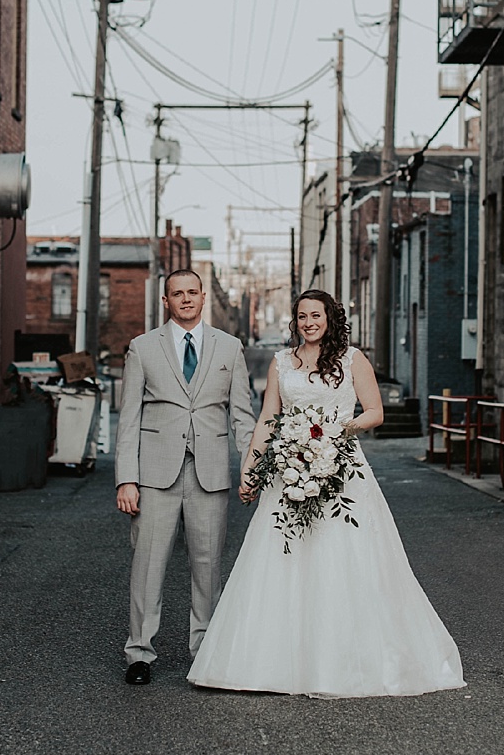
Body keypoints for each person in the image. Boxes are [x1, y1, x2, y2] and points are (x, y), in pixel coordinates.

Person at [188, 290, 465, 697]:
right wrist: (250, 466)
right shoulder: (283, 363)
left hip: (342, 467)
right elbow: (268, 417)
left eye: (316, 315)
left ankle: (342, 659)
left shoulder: (353, 359)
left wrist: (334, 433)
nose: (308, 323)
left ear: (331, 318)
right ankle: (271, 663)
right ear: (295, 322)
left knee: (345, 556)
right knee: (284, 555)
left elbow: (374, 411)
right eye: (301, 317)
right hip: (290, 466)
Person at [113, 269, 258, 685]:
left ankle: (205, 650)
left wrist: (250, 468)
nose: (186, 299)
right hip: (155, 473)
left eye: (193, 292)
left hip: (210, 473)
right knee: (148, 565)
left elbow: (242, 416)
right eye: (178, 294)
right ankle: (139, 653)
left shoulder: (229, 348)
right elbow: (129, 419)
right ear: (166, 301)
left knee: (208, 565)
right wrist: (126, 479)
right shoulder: (143, 348)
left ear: (203, 296)